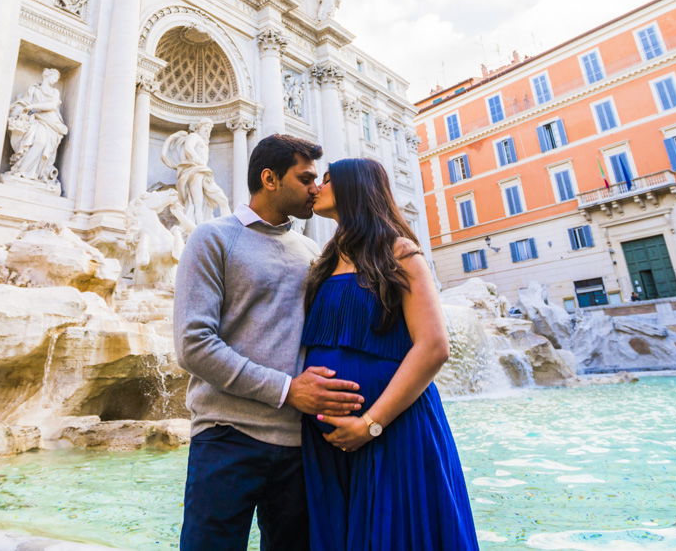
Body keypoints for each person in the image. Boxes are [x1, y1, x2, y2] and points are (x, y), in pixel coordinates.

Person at [174, 135, 365, 551]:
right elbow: (193, 344)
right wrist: (288, 390)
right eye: (306, 177)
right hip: (226, 437)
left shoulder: (312, 250)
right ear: (269, 178)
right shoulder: (212, 238)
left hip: (301, 445)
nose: (316, 187)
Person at [302, 158, 479, 550]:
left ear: (354, 189)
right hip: (328, 445)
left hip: (393, 431)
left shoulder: (399, 252)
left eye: (327, 181)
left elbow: (433, 346)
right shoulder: (326, 261)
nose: (316, 187)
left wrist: (369, 424)